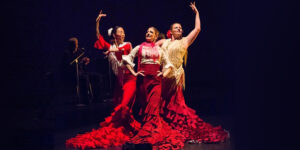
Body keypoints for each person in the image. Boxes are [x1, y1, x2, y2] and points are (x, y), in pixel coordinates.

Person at [66, 11, 140, 150]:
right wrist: (97, 22)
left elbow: (127, 58)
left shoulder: (128, 44)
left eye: (124, 31)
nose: (123, 33)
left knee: (124, 106)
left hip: (130, 79)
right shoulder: (110, 47)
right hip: (119, 82)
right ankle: (125, 130)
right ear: (114, 35)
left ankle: (127, 130)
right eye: (120, 31)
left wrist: (114, 53)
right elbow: (98, 37)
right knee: (119, 107)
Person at [157, 2, 229, 143]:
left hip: (175, 78)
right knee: (162, 104)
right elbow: (148, 47)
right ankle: (165, 128)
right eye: (176, 28)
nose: (180, 29)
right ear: (170, 31)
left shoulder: (184, 41)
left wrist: (196, 13)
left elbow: (197, 29)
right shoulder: (163, 42)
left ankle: (177, 129)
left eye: (181, 28)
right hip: (162, 78)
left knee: (176, 104)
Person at [122, 27, 185, 150]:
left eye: (151, 32)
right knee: (145, 107)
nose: (148, 33)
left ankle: (150, 133)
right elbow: (127, 60)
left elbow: (169, 65)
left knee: (153, 107)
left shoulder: (159, 50)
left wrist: (163, 74)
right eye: (147, 31)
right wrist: (134, 73)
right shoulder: (139, 47)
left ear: (156, 36)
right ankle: (147, 129)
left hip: (156, 82)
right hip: (143, 82)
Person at [60, 37, 91, 104]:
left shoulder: (79, 51)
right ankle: (84, 99)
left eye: (77, 44)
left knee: (94, 77)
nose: (76, 46)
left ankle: (95, 98)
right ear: (71, 45)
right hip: (71, 73)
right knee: (84, 78)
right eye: (74, 44)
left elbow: (82, 61)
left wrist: (85, 60)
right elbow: (68, 65)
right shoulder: (67, 53)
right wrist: (80, 61)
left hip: (81, 72)